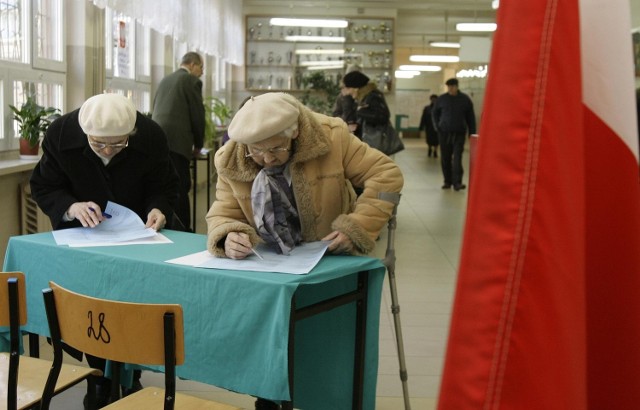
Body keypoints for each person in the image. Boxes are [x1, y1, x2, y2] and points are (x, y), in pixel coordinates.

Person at [206, 92, 402, 409]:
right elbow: (223, 214)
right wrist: (228, 235)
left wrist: (358, 227)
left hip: (332, 257)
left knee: (329, 343)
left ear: (294, 132)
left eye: (275, 149)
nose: (267, 159)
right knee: (273, 340)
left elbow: (387, 176)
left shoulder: (332, 135)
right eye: (258, 152)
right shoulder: (231, 157)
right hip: (272, 268)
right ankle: (269, 398)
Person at [30, 93, 179, 407]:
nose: (108, 151)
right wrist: (70, 206)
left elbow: (166, 185)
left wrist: (158, 208)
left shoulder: (150, 134)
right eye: (99, 145)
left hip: (137, 238)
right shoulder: (60, 134)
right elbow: (43, 186)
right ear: (86, 135)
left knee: (136, 303)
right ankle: (98, 376)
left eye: (118, 145)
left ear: (132, 134)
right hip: (85, 240)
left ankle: (131, 372)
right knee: (91, 305)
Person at [152, 51, 205, 232]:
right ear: (192, 64)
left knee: (164, 184)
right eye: (201, 67)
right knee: (181, 186)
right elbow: (198, 115)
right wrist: (198, 144)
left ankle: (167, 223)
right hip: (178, 142)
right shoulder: (191, 81)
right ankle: (184, 229)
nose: (202, 72)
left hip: (158, 140)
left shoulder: (165, 80)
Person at [432, 78, 476, 191]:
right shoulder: (442, 99)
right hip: (444, 133)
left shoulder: (464, 99)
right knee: (445, 158)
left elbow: (470, 117)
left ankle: (457, 182)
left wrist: (472, 133)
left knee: (457, 158)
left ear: (457, 86)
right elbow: (435, 113)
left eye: (452, 86)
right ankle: (447, 181)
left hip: (459, 133)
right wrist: (437, 126)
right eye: (449, 87)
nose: (450, 89)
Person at [342, 71, 392, 152]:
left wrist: (360, 111)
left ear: (356, 88)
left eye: (348, 88)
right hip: (368, 141)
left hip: (374, 142)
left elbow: (383, 116)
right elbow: (349, 116)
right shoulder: (361, 97)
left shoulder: (373, 96)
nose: (347, 91)